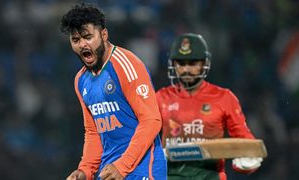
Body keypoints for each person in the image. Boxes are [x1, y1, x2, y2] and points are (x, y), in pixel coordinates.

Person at [60, 3, 167, 180]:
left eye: (88, 37)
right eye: (76, 40)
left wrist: (123, 166)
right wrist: (85, 170)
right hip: (110, 171)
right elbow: (94, 131)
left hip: (142, 169)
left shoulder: (127, 64)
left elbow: (151, 120)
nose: (82, 45)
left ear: (104, 34)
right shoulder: (81, 80)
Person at [156, 33, 263, 180]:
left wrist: (250, 156)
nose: (186, 69)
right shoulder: (161, 98)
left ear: (204, 63)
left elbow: (243, 137)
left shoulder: (224, 98)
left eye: (193, 63)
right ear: (173, 65)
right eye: (181, 63)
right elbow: (144, 138)